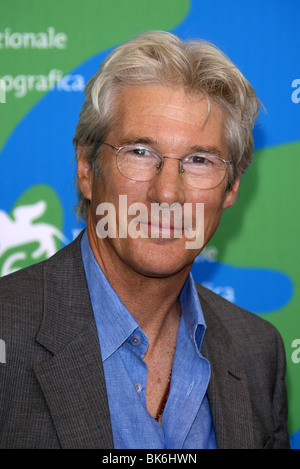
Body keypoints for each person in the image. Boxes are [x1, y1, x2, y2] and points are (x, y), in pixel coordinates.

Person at [0, 31, 290, 449]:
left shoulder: (258, 351)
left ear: (231, 188)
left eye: (199, 160)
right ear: (86, 168)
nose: (167, 193)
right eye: (139, 152)